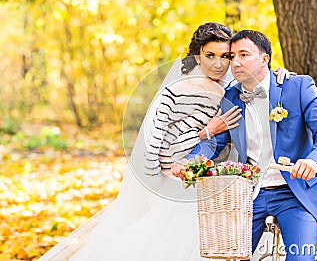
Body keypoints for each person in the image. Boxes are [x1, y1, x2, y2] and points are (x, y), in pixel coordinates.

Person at [38, 23, 292, 261]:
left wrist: (279, 73)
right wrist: (205, 132)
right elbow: (159, 147)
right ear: (196, 56)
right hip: (178, 180)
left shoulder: (229, 87)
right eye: (210, 55)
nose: (218, 64)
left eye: (225, 56)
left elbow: (258, 80)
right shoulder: (178, 90)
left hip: (213, 180)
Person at [175, 30, 317, 261]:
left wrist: (314, 160)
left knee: (301, 258)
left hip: (294, 193)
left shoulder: (298, 86)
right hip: (248, 195)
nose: (236, 62)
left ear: (265, 59)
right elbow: (215, 143)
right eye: (232, 57)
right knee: (231, 257)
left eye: (244, 54)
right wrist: (190, 161)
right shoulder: (231, 97)